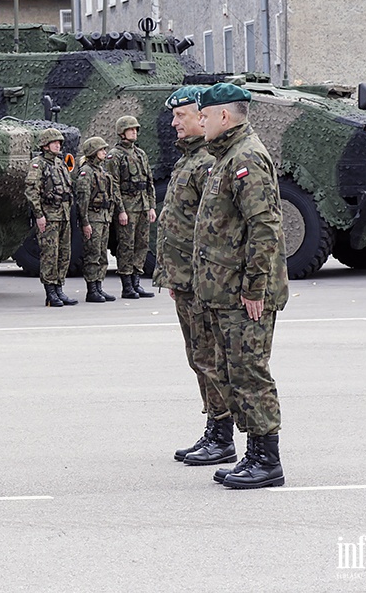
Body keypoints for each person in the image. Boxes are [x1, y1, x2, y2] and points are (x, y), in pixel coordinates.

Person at [194, 83, 289, 489]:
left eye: (205, 115)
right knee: (235, 372)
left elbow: (265, 226)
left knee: (250, 372)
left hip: (243, 294)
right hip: (226, 290)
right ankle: (254, 454)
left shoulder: (247, 156)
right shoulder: (227, 156)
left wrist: (254, 288)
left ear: (224, 117)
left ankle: (267, 461)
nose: (200, 122)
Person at [152, 86, 236, 467]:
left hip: (201, 282)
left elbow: (215, 228)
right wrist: (172, 275)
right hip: (184, 278)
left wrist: (200, 278)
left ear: (202, 116)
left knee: (208, 357)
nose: (175, 122)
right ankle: (214, 428)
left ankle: (222, 435)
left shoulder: (205, 162)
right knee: (197, 357)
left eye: (181, 116)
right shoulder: (189, 160)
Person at [24, 128, 77, 307]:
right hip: (49, 216)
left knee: (64, 254)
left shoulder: (60, 164)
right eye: (55, 142)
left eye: (59, 142)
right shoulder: (38, 164)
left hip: (63, 217)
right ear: (45, 144)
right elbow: (32, 191)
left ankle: (59, 288)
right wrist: (39, 215)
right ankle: (50, 292)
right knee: (50, 254)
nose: (58, 145)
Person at [106, 115, 156, 299]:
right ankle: (127, 286)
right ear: (122, 132)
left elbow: (148, 181)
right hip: (127, 207)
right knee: (126, 245)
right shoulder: (115, 156)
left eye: (136, 129)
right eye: (130, 129)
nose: (134, 131)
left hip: (142, 206)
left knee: (142, 245)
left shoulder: (140, 154)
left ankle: (136, 282)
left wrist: (151, 206)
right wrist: (120, 210)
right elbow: (114, 186)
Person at [75, 136, 127, 302]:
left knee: (102, 255)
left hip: (104, 217)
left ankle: (99, 286)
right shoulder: (87, 173)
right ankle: (92, 290)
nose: (105, 152)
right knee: (93, 254)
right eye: (101, 150)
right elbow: (83, 201)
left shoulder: (102, 171)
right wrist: (85, 223)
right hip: (93, 217)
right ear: (93, 152)